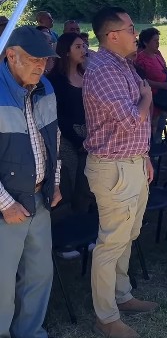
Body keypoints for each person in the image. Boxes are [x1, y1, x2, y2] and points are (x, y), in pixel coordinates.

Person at [83, 7, 155, 338]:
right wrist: (147, 97)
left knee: (127, 235)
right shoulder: (104, 71)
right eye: (130, 28)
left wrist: (144, 156)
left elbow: (131, 127)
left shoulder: (120, 64)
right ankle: (106, 316)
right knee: (111, 242)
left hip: (131, 163)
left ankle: (122, 295)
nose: (135, 34)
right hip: (114, 168)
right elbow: (129, 120)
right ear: (112, 36)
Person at [0, 26, 64, 338]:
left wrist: (55, 182)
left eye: (45, 60)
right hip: (7, 204)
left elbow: (54, 136)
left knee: (40, 271)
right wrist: (4, 203)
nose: (41, 65)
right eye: (34, 59)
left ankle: (29, 333)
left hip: (39, 194)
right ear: (11, 56)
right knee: (2, 280)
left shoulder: (45, 88)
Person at [47, 33, 94, 212]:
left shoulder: (87, 76)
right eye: (78, 47)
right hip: (66, 141)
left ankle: (87, 215)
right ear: (66, 51)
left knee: (89, 184)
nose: (84, 50)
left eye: (84, 46)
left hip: (90, 138)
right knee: (71, 182)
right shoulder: (55, 81)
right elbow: (57, 115)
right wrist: (77, 139)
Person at [135, 27, 167, 144]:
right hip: (152, 101)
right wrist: (162, 85)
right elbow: (141, 80)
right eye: (155, 41)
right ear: (145, 42)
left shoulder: (157, 55)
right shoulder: (140, 58)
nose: (158, 43)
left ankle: (158, 147)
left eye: (158, 40)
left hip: (163, 99)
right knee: (152, 129)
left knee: (160, 128)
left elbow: (165, 70)